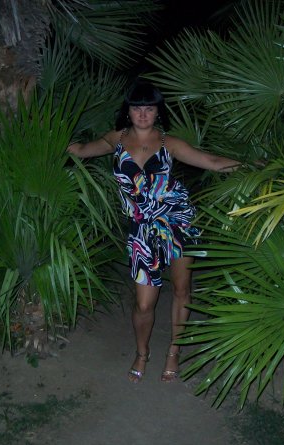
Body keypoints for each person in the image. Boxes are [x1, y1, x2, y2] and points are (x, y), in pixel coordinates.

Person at [67, 80, 240, 383]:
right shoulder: (116, 139)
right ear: (128, 111)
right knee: (144, 303)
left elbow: (211, 162)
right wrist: (49, 137)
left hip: (177, 221)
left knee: (182, 289)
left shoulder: (169, 143)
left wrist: (250, 165)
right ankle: (142, 352)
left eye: (149, 108)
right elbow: (81, 151)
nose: (143, 114)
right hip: (142, 229)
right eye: (137, 108)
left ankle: (174, 351)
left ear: (158, 112)